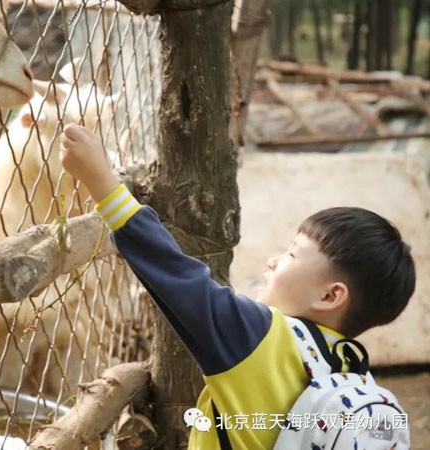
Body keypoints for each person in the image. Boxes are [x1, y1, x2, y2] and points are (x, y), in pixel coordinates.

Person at [58, 123, 416, 449]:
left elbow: (176, 275)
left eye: (292, 255)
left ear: (330, 295)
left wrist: (100, 181)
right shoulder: (351, 369)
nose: (273, 261)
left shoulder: (261, 338)